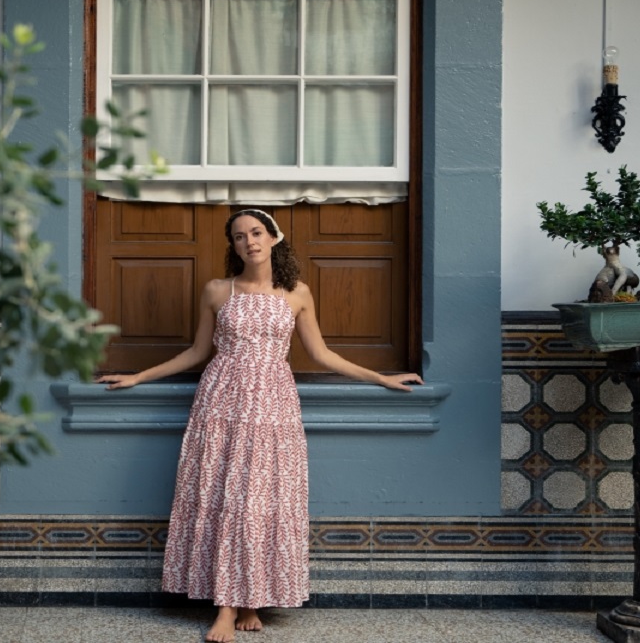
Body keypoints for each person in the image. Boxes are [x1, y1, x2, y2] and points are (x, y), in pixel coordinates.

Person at [97, 209, 423, 643]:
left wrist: (383, 377)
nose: (248, 242)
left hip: (273, 404)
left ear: (273, 237)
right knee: (226, 497)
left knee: (259, 501)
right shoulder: (216, 290)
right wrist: (137, 376)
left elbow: (323, 355)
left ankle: (250, 600)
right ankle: (227, 609)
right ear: (232, 246)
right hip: (221, 403)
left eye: (256, 233)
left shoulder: (297, 294)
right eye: (238, 237)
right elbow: (196, 354)